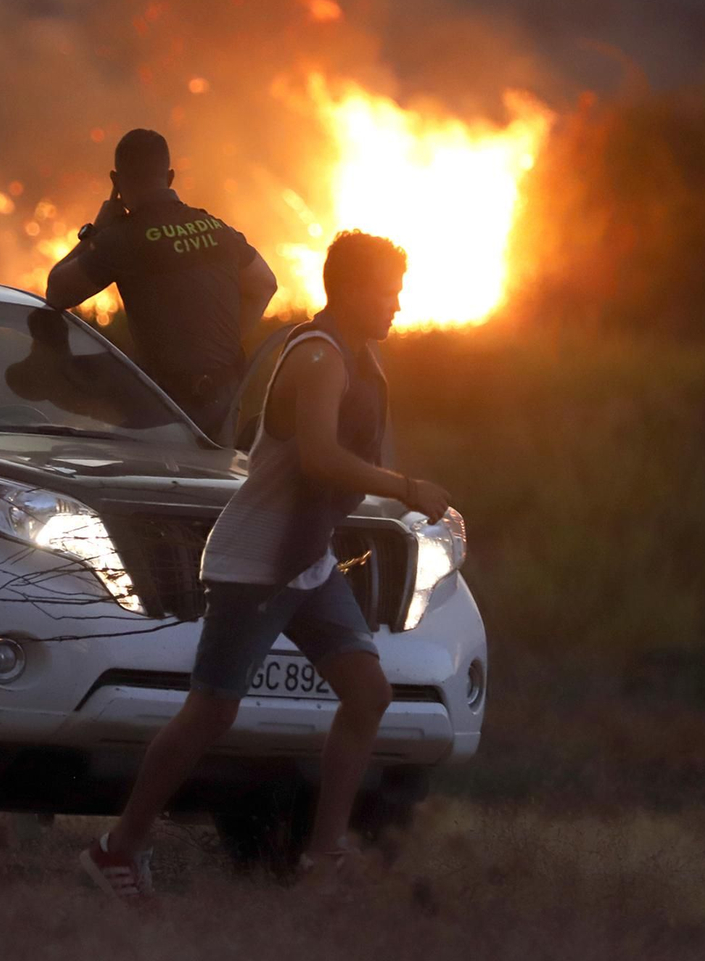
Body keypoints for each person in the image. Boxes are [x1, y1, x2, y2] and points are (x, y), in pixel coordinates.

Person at [79, 231, 452, 901]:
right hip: (254, 562)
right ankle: (117, 850)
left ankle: (324, 860)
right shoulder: (320, 358)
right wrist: (406, 487)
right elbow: (319, 459)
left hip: (303, 563)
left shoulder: (360, 360)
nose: (397, 304)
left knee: (368, 693)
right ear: (355, 291)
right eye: (388, 291)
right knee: (210, 714)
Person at [45, 129, 278, 438]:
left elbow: (57, 292)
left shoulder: (123, 240)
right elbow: (265, 284)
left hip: (165, 405)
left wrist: (95, 230)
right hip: (225, 397)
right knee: (214, 481)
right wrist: (227, 343)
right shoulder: (217, 229)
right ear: (170, 177)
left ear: (116, 182)